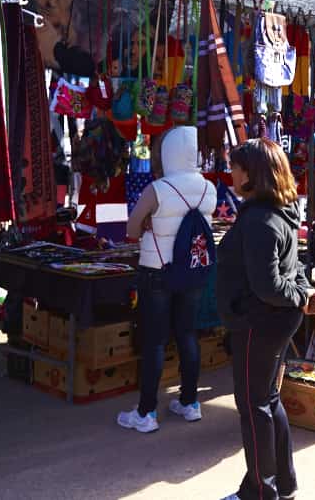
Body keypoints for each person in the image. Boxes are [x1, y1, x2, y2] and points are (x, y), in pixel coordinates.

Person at [216, 139, 315, 500]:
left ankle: (260, 492)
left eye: (235, 168)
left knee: (254, 407)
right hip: (272, 320)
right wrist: (304, 294)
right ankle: (282, 484)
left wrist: (302, 295)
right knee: (267, 399)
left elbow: (269, 285)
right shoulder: (279, 211)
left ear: (252, 173)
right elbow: (291, 270)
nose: (231, 174)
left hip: (258, 322)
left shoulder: (261, 219)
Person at [118, 126, 217, 434]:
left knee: (155, 341)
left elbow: (131, 230)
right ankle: (190, 402)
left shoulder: (158, 189)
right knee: (187, 335)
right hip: (192, 271)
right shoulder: (208, 188)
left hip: (157, 270)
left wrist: (150, 221)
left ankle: (146, 412)